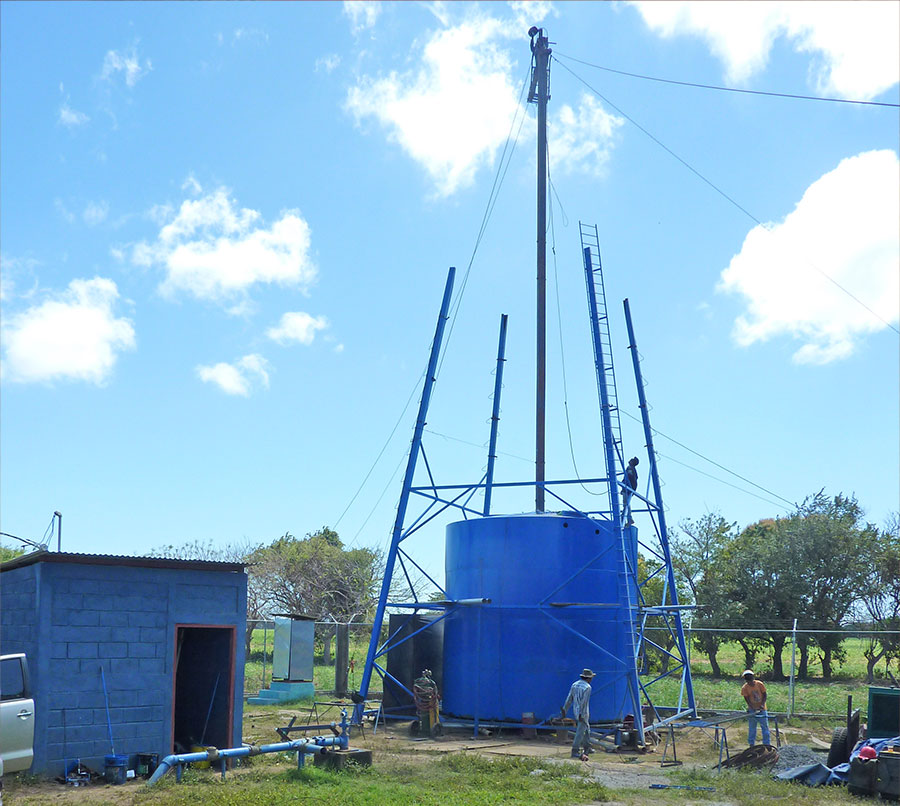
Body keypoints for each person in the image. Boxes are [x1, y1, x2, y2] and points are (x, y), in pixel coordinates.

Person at [561, 668, 595, 758]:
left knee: (587, 729)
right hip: (583, 713)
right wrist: (581, 714)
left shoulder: (574, 685)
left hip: (576, 711)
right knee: (580, 732)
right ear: (588, 678)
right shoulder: (587, 687)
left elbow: (569, 699)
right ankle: (575, 750)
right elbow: (584, 702)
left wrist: (565, 710)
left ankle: (587, 748)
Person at [741, 669, 771, 746]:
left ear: (753, 678)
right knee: (752, 728)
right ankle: (751, 744)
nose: (749, 682)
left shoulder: (759, 684)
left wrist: (762, 705)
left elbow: (764, 695)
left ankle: (766, 744)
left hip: (762, 709)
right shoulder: (745, 688)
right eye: (748, 680)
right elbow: (747, 699)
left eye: (750, 679)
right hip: (752, 710)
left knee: (765, 727)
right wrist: (751, 707)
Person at [622, 457, 639, 526]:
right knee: (626, 503)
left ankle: (629, 518)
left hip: (628, 488)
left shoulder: (630, 468)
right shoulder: (631, 469)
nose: (630, 460)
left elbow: (629, 478)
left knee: (626, 503)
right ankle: (625, 517)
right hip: (629, 488)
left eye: (632, 460)